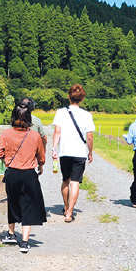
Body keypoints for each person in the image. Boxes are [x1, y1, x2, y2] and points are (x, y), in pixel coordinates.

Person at [0, 103, 46, 253]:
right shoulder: (35, 135)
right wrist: (41, 166)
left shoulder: (7, 133)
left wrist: (7, 156)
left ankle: (11, 234)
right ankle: (24, 242)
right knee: (28, 205)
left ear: (13, 117)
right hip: (29, 174)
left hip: (12, 173)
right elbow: (41, 156)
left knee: (12, 202)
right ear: (29, 118)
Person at [51, 84, 95, 222]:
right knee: (75, 182)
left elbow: (57, 132)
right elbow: (89, 136)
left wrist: (54, 148)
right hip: (79, 153)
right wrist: (90, 152)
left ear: (69, 97)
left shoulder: (60, 112)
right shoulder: (86, 115)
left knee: (65, 180)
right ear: (82, 99)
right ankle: (69, 213)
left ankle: (65, 206)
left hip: (64, 152)